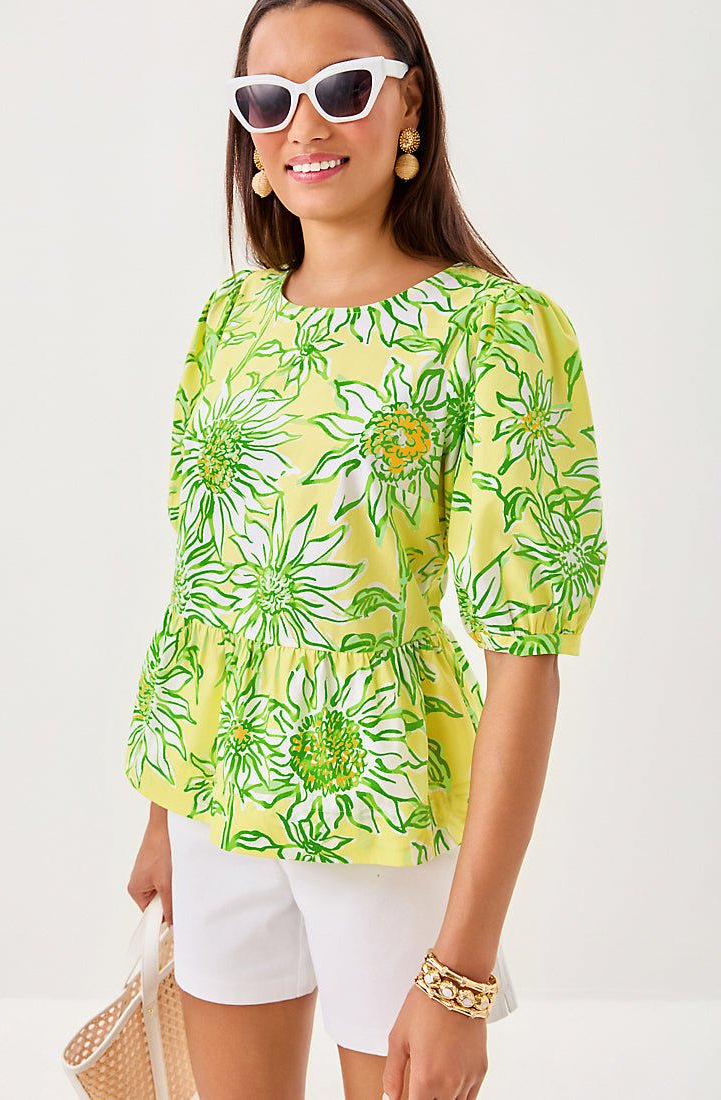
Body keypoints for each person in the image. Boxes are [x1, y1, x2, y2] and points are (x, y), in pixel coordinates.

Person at [125, 2, 608, 1098]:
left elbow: (524, 650)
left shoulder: (496, 331)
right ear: (248, 136)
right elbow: (204, 589)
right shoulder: (231, 320)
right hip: (215, 798)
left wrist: (461, 971)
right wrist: (164, 813)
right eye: (268, 100)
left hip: (384, 804)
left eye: (342, 87)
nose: (305, 124)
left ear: (409, 105)